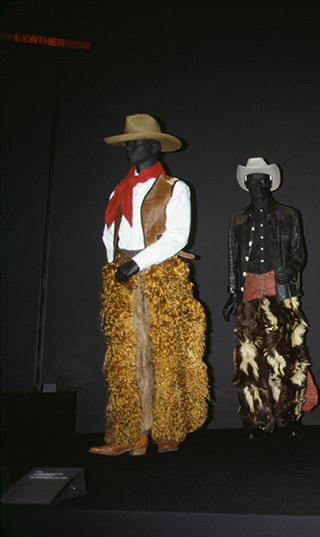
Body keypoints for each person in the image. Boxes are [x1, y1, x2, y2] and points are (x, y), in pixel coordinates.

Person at [90, 114, 208, 456]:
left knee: (166, 352)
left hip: (160, 276)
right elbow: (109, 232)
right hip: (124, 277)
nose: (130, 148)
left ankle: (168, 428)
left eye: (137, 142)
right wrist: (115, 263)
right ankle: (131, 433)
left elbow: (177, 236)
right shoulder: (119, 190)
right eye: (128, 143)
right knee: (127, 355)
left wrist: (138, 263)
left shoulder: (175, 188)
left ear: (155, 147)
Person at [223, 157, 316, 437]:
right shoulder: (237, 220)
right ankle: (256, 420)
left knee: (286, 353)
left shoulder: (288, 215)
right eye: (253, 181)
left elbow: (299, 251)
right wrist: (233, 293)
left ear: (271, 183)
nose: (259, 185)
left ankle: (291, 414)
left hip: (280, 287)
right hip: (249, 287)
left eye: (263, 180)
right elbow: (232, 259)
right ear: (247, 184)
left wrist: (291, 268)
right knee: (248, 357)